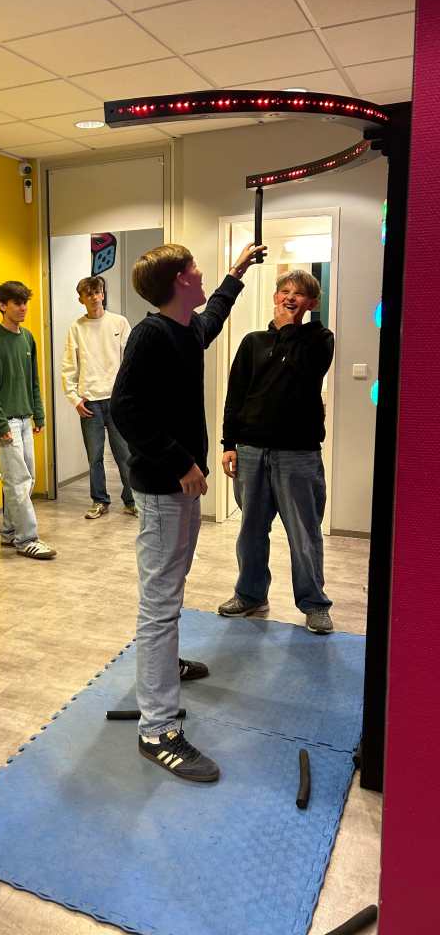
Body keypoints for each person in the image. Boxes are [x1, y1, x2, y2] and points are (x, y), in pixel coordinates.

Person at [111, 240, 263, 782]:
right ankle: (157, 730)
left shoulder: (184, 328)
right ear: (179, 280)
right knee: (159, 603)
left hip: (180, 486)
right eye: (195, 268)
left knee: (170, 587)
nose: (201, 274)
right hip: (162, 490)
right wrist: (179, 462)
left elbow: (211, 319)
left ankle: (165, 667)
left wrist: (236, 274)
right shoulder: (151, 334)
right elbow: (125, 408)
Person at [218, 269, 335, 634]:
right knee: (251, 531)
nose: (290, 297)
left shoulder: (319, 339)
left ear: (311, 302)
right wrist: (229, 444)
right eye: (284, 290)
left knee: (304, 533)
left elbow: (304, 373)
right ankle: (250, 595)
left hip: (298, 454)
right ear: (274, 296)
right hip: (252, 450)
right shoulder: (252, 342)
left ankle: (314, 604)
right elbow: (236, 395)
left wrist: (287, 329)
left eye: (298, 293)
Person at [0, 280, 56, 560]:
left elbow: (33, 380)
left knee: (26, 479)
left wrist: (39, 413)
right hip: (5, 422)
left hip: (24, 418)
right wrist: (0, 425)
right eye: (17, 303)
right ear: (2, 305)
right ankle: (27, 539)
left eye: (25, 303)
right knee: (18, 481)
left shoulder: (27, 338)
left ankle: (10, 531)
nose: (23, 308)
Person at [61, 275, 136, 520]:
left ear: (103, 294)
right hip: (89, 403)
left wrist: (128, 395)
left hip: (116, 402)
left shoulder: (119, 322)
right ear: (81, 299)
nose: (94, 297)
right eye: (88, 294)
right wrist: (75, 399)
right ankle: (99, 500)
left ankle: (131, 501)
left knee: (124, 455)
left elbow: (131, 360)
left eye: (97, 292)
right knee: (95, 457)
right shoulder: (77, 328)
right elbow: (68, 367)